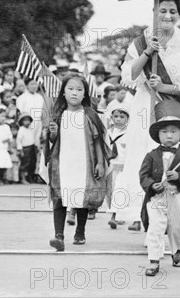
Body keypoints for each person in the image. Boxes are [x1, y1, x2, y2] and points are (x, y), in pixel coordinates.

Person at [113, 0, 180, 239]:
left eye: (173, 11)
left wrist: (167, 88)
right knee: (145, 159)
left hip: (173, 108)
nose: (167, 16)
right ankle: (148, 222)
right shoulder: (140, 42)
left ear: (179, 13)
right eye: (162, 10)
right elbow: (128, 75)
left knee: (172, 161)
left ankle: (176, 221)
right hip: (144, 107)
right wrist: (149, 51)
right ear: (154, 11)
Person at [46, 74, 109, 252]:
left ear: (85, 94)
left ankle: (80, 231)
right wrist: (52, 133)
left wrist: (100, 163)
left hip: (84, 163)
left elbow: (98, 141)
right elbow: (51, 142)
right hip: (62, 163)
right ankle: (59, 236)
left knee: (81, 197)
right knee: (60, 196)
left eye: (79, 90)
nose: (74, 93)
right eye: (70, 89)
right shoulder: (58, 115)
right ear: (63, 93)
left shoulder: (90, 115)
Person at [139, 100, 180, 277]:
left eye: (173, 132)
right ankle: (154, 260)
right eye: (164, 132)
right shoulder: (151, 156)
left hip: (177, 196)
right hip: (157, 198)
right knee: (155, 227)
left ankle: (178, 249)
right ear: (157, 135)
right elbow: (143, 175)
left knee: (178, 228)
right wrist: (152, 184)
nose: (169, 136)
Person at [107, 105, 130, 229]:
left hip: (123, 167)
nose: (118, 119)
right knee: (110, 191)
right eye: (116, 116)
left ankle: (115, 216)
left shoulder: (130, 133)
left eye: (122, 117)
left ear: (127, 118)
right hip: (110, 166)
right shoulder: (108, 132)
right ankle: (117, 214)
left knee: (119, 191)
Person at [17, 113, 37, 183]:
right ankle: (22, 179)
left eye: (28, 120)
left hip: (31, 147)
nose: (27, 122)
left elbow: (32, 138)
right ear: (21, 122)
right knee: (24, 163)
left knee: (31, 163)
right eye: (25, 120)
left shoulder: (30, 130)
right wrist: (20, 150)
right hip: (25, 148)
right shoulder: (21, 130)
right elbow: (19, 140)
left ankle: (29, 177)